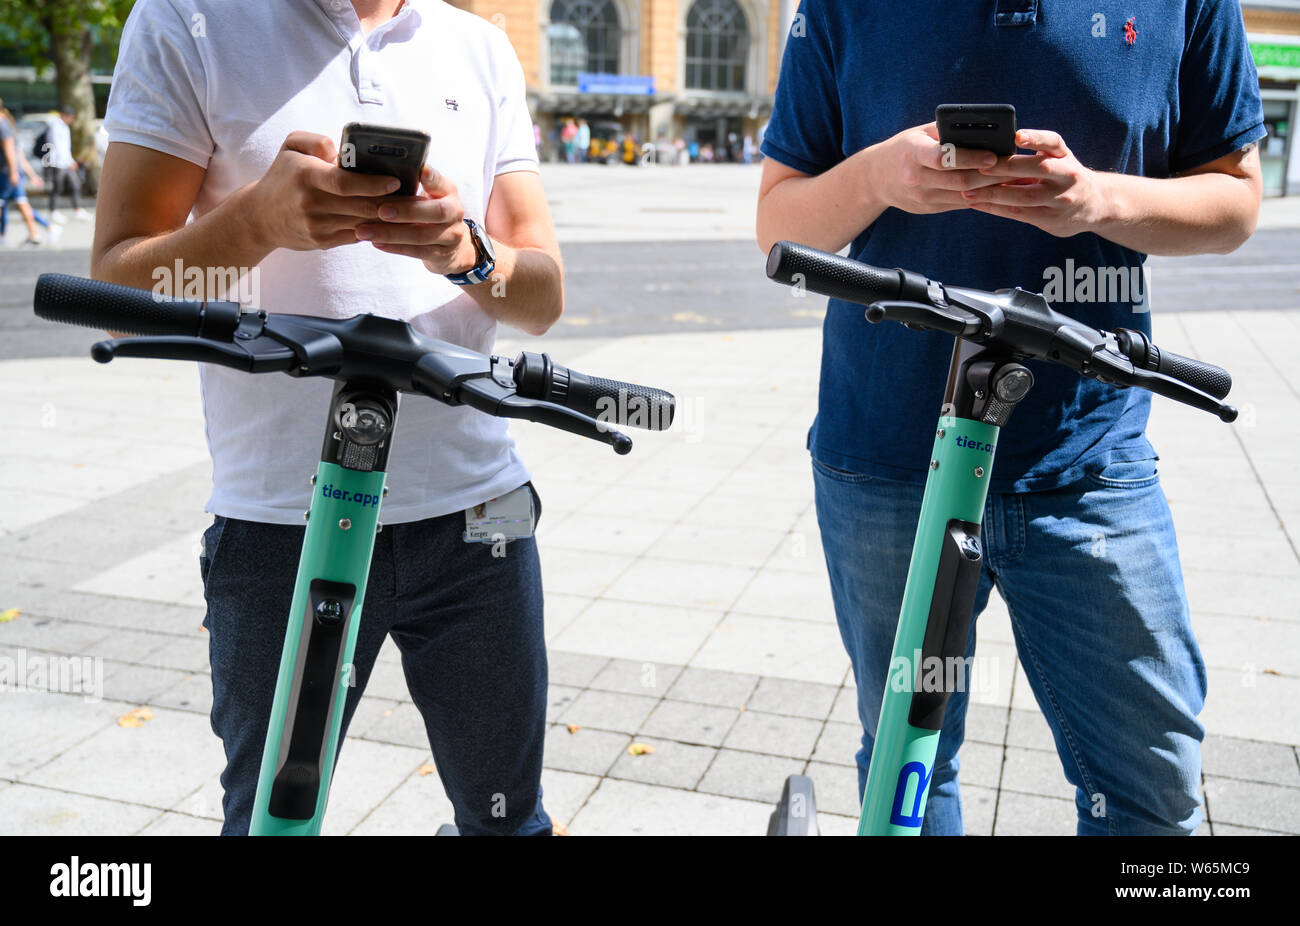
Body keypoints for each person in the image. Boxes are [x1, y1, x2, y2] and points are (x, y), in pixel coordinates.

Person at [756, 1, 1265, 835]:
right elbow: (779, 222)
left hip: (1090, 458)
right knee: (911, 766)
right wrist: (882, 177)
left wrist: (1097, 200)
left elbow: (1235, 203)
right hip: (887, 454)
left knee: (1152, 784)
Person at [96, 0, 564, 836]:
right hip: (284, 521)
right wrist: (255, 224)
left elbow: (542, 297)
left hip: (479, 516)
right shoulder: (187, 19)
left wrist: (466, 252)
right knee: (272, 823)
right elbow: (120, 297)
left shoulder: (480, 46)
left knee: (508, 821)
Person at [0, 103, 57, 245]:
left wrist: (13, 173)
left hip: (7, 174)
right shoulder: (7, 124)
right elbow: (19, 154)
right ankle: (39, 232)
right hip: (13, 173)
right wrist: (31, 174)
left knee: (5, 205)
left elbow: (10, 152)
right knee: (21, 204)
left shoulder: (2, 126)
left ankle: (5, 236)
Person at [45, 106, 88, 221]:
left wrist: (71, 161)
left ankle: (77, 209)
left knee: (75, 184)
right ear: (64, 115)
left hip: (67, 162)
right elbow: (57, 146)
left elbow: (66, 147)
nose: (71, 120)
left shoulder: (65, 127)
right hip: (58, 162)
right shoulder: (55, 126)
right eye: (70, 117)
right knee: (58, 187)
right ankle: (52, 211)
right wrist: (68, 161)